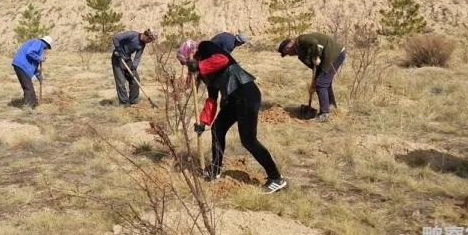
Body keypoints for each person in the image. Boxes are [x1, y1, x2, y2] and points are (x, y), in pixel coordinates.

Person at [180, 40, 286, 194]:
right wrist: (203, 122)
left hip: (246, 95)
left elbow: (222, 60)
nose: (188, 68)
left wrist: (200, 66)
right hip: (233, 100)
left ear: (191, 55)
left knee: (248, 140)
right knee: (217, 129)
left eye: (187, 63)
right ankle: (215, 169)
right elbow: (211, 99)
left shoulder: (205, 46)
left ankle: (276, 178)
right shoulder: (205, 73)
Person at [277, 33, 346, 122]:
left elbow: (314, 43)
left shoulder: (301, 40)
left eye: (287, 52)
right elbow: (315, 67)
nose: (289, 55)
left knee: (321, 84)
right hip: (331, 56)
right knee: (323, 83)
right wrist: (314, 81)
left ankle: (324, 114)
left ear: (289, 46)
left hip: (334, 54)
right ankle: (331, 107)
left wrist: (315, 56)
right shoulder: (300, 53)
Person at [111, 29, 157, 106]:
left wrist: (134, 66)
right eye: (149, 39)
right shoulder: (132, 35)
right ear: (146, 35)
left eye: (150, 41)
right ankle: (124, 103)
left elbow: (137, 57)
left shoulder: (142, 44)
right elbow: (115, 38)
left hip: (127, 59)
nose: (149, 42)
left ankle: (133, 101)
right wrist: (118, 49)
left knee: (135, 80)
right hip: (117, 57)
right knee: (121, 82)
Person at [12, 36, 53, 108]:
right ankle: (28, 107)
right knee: (29, 88)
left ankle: (30, 105)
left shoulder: (36, 44)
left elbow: (34, 64)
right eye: (47, 47)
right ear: (47, 44)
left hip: (20, 65)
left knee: (28, 88)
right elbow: (30, 52)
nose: (46, 49)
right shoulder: (39, 43)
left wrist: (39, 76)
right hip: (22, 65)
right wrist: (40, 58)